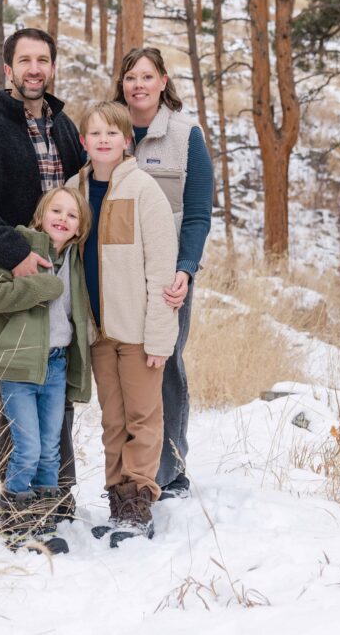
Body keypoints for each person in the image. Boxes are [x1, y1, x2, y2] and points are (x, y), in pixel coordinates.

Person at [0, 28, 85, 520]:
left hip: (65, 277)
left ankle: (57, 500)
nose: (35, 69)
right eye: (25, 60)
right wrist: (14, 253)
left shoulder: (65, 128)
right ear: (8, 69)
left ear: (52, 67)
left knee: (57, 390)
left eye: (43, 60)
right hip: (12, 277)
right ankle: (18, 509)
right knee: (17, 393)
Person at [67, 101, 178, 546]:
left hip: (136, 331)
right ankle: (118, 499)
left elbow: (160, 269)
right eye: (94, 134)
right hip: (98, 332)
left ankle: (139, 502)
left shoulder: (143, 189)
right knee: (112, 420)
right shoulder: (74, 188)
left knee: (142, 417)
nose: (104, 141)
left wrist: (159, 335)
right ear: (83, 142)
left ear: (126, 139)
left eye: (112, 134)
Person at [113, 47, 214, 500]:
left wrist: (185, 270)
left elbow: (196, 214)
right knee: (122, 367)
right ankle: (129, 472)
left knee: (166, 362)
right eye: (130, 76)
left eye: (147, 76)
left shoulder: (185, 133)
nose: (138, 85)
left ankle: (171, 470)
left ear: (163, 81)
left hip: (168, 277)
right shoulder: (109, 128)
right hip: (117, 274)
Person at [0, 187, 93, 552]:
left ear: (79, 227)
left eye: (72, 215)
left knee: (49, 450)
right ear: (41, 215)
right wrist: (43, 286)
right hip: (19, 363)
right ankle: (14, 521)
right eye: (56, 210)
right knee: (26, 448)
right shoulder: (18, 246)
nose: (63, 219)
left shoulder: (76, 260)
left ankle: (44, 520)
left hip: (56, 364)